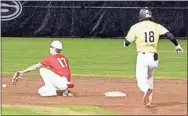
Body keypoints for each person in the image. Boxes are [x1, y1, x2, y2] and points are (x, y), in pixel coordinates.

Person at [123, 8, 183, 107]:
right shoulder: (157, 26)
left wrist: (125, 42)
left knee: (141, 82)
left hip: (143, 57)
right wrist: (177, 46)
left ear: (141, 16)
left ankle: (146, 90)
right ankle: (149, 101)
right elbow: (170, 36)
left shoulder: (135, 27)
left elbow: (127, 43)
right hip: (154, 58)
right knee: (150, 77)